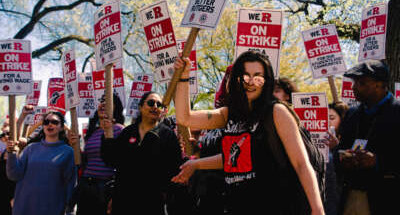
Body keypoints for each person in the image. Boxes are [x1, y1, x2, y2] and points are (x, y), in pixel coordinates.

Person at [172, 50, 325, 215]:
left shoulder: (276, 111)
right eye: (245, 77)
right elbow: (184, 118)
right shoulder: (228, 114)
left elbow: (301, 164)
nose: (251, 83)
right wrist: (184, 76)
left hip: (275, 206)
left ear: (266, 82)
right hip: (237, 205)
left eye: (258, 78)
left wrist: (317, 209)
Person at [101, 91, 184, 215]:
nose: (155, 107)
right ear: (141, 107)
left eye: (159, 105)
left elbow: (174, 169)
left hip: (152, 203)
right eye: (151, 103)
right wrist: (107, 135)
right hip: (123, 200)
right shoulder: (128, 132)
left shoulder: (168, 135)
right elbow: (112, 160)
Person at [336, 60, 400, 214]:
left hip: (386, 200)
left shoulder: (397, 112)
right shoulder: (352, 114)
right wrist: (343, 158)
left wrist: (377, 162)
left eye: (361, 82)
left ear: (380, 85)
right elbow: (340, 148)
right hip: (351, 195)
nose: (353, 87)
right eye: (354, 82)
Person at [6, 111, 76, 215]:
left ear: (62, 127)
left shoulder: (68, 151)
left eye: (54, 122)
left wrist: (69, 209)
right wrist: (11, 154)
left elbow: (70, 183)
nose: (50, 124)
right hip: (24, 206)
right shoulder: (30, 148)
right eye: (46, 122)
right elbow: (14, 175)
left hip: (52, 208)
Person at [69, 93, 125, 215]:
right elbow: (86, 161)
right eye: (101, 100)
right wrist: (75, 146)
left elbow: (122, 161)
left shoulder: (120, 130)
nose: (103, 104)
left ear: (116, 108)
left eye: (109, 102)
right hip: (86, 186)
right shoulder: (92, 132)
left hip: (105, 187)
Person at [323, 101, 349, 215]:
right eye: (324, 118)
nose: (327, 122)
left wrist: (336, 148)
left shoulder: (349, 141)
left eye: (332, 118)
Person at [0, 127, 15, 215]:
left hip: (13, 198)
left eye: (8, 133)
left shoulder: (20, 153)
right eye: (3, 134)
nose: (5, 136)